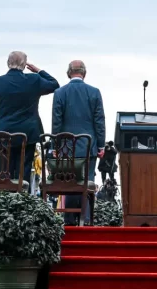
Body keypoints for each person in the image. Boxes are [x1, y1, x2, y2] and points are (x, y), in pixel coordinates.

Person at [0, 51, 59, 183]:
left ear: (8, 63)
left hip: (2, 135)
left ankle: (4, 193)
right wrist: (39, 71)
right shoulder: (34, 80)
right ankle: (22, 194)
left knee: (4, 174)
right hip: (27, 134)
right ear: (24, 65)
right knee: (23, 174)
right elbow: (54, 84)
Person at [52, 60, 105, 225]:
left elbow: (56, 122)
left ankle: (69, 221)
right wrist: (101, 145)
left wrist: (55, 146)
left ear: (69, 73)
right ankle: (85, 220)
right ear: (84, 73)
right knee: (87, 182)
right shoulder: (94, 92)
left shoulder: (59, 93)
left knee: (69, 182)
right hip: (89, 146)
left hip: (66, 147)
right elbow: (99, 121)